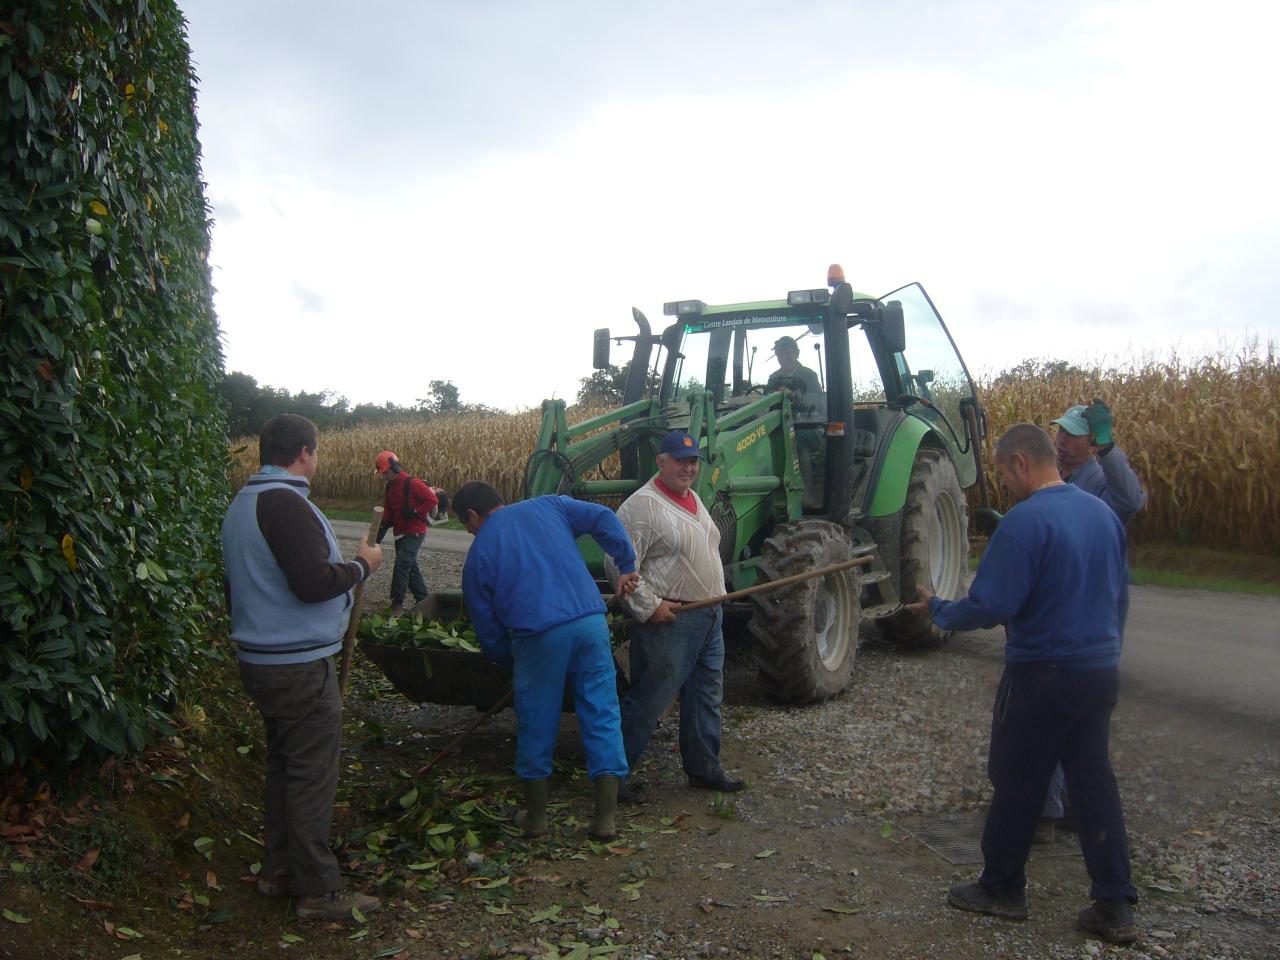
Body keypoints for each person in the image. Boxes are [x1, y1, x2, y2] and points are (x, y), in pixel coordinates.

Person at [904, 423, 1138, 945]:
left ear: (1020, 464)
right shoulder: (1102, 515)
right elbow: (1119, 599)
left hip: (1041, 675)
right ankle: (1114, 903)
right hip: (1098, 672)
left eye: (1004, 472)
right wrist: (1106, 656)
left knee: (1016, 779)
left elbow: (992, 606)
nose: (1005, 484)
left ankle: (1002, 887)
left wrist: (938, 609)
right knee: (1093, 782)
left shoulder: (1024, 522)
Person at [221, 414, 383, 922]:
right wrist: (363, 567)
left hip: (262, 660)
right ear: (305, 452)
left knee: (284, 768)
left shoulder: (243, 503)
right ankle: (318, 890)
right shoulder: (286, 504)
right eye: (316, 452)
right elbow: (312, 582)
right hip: (297, 666)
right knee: (311, 775)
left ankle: (279, 871)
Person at [453, 481, 640, 840]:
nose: (469, 529)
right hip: (590, 623)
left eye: (465, 523)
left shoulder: (478, 556)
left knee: (537, 722)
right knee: (602, 713)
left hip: (536, 636)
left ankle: (536, 818)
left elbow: (488, 630)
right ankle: (605, 821)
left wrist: (514, 662)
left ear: (473, 515)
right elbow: (602, 516)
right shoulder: (548, 505)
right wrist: (626, 563)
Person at [607, 430, 745, 799]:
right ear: (661, 461)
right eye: (680, 460)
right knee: (649, 700)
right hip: (672, 619)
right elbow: (617, 563)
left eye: (693, 461)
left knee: (705, 696)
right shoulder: (641, 507)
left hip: (709, 615)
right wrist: (649, 607)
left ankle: (703, 768)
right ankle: (611, 780)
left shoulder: (693, 498)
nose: (688, 467)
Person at [1038, 399, 1147, 838]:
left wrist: (1109, 448)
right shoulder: (1063, 478)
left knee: (1071, 696)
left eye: (1071, 435)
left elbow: (1131, 500)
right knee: (1074, 701)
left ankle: (1057, 806)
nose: (1061, 441)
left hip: (1098, 600)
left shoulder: (1099, 479)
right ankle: (1068, 802)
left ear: (1091, 441)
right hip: (1072, 595)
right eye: (1059, 433)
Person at [1051, 399, 1147, 524]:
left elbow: (1128, 502)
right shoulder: (1051, 476)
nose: (1063, 440)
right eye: (1062, 430)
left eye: (1073, 434)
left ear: (1093, 445)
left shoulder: (1098, 483)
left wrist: (1106, 446)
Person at [373, 450, 440, 614]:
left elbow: (432, 500)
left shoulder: (412, 483)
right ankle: (423, 599)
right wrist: (380, 529)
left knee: (402, 564)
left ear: (395, 468)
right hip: (399, 532)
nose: (384, 476)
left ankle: (397, 602)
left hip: (415, 530)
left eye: (386, 472)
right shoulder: (390, 487)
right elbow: (389, 510)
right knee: (410, 566)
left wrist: (416, 511)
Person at [767, 336, 824, 505]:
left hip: (806, 425)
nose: (783, 357)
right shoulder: (773, 378)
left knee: (798, 444)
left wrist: (792, 395)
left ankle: (805, 493)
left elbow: (816, 402)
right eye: (779, 353)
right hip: (779, 425)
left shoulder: (808, 375)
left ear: (796, 354)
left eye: (787, 352)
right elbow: (768, 405)